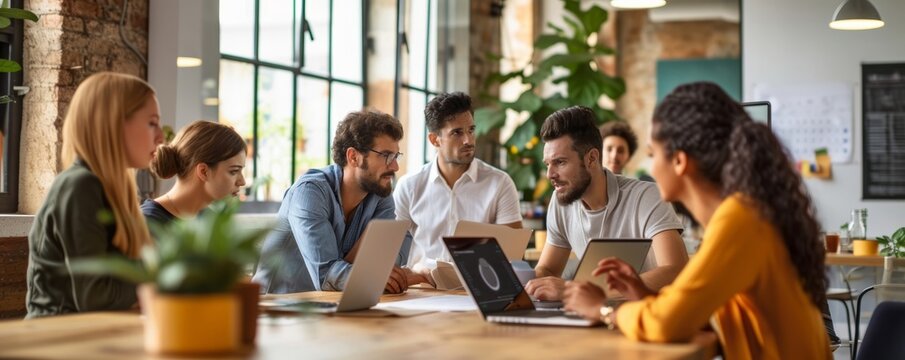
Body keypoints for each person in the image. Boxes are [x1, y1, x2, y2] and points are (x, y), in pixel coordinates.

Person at [562, 82, 831, 359]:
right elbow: (700, 315)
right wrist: (645, 295)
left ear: (679, 161)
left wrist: (603, 310)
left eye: (653, 154)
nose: (651, 167)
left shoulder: (739, 220)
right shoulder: (743, 214)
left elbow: (668, 323)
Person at [26, 72, 164, 318]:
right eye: (152, 123)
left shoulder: (110, 187)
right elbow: (95, 298)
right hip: (57, 341)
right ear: (113, 123)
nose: (161, 137)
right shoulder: (79, 186)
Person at [253, 110, 426, 293]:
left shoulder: (380, 194)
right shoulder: (310, 192)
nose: (395, 166)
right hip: (278, 308)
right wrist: (370, 270)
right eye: (385, 156)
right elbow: (327, 275)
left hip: (334, 304)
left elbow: (390, 259)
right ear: (353, 157)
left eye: (396, 156)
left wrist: (372, 272)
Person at [526, 106, 687, 301]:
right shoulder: (560, 201)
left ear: (592, 158)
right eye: (547, 164)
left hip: (649, 316)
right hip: (593, 317)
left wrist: (573, 290)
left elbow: (676, 271)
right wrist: (524, 283)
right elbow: (549, 268)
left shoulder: (647, 197)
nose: (550, 174)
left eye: (560, 162)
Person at [394, 92, 522, 278]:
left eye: (471, 130)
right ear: (434, 139)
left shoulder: (500, 183)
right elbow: (390, 251)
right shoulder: (409, 185)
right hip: (421, 288)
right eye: (457, 132)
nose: (468, 140)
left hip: (480, 288)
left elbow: (514, 256)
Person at [142, 120, 247, 228]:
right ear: (203, 171)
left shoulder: (212, 220)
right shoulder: (146, 224)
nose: (242, 182)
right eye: (234, 171)